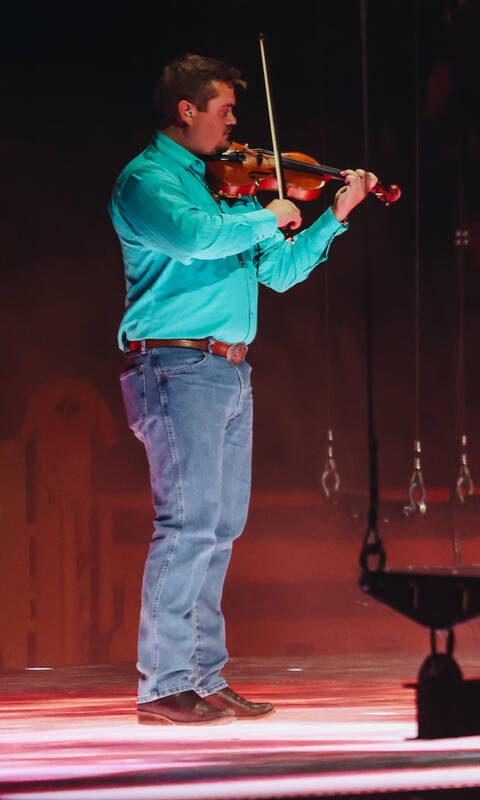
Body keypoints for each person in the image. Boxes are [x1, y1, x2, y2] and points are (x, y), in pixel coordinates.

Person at [111, 54, 380, 725]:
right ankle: (164, 684)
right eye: (226, 110)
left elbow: (281, 273)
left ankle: (204, 675)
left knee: (220, 528)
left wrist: (331, 217)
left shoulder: (222, 191)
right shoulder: (147, 183)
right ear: (188, 110)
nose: (236, 126)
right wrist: (271, 212)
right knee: (188, 524)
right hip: (177, 367)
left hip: (229, 371)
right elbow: (198, 241)